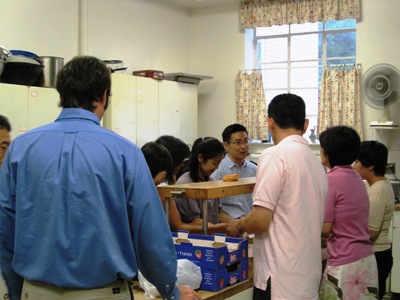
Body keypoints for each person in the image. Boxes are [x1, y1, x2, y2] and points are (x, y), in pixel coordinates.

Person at [0, 56, 200, 300]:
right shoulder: (125, 153)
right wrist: (170, 289)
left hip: (36, 290)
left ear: (60, 96)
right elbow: (151, 236)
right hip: (104, 293)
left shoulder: (20, 149)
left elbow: (5, 229)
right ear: (104, 96)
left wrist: (17, 288)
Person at [227, 93, 328, 300]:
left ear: (270, 123)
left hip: (279, 279)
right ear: (306, 124)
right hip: (307, 276)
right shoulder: (316, 163)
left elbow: (260, 220)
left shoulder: (275, 155)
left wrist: (239, 225)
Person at [319, 126, 378, 299]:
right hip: (366, 259)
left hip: (345, 263)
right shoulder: (356, 177)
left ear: (328, 153)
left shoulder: (331, 180)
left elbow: (325, 227)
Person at [141, 141, 227, 235]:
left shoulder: (161, 192)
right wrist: (215, 228)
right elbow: (179, 227)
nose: (163, 180)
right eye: (164, 175)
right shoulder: (165, 192)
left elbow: (180, 226)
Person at [354, 140, 394, 299]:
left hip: (377, 255)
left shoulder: (378, 191)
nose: (355, 165)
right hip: (377, 254)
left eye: (357, 161)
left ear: (370, 166)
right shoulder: (374, 185)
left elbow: (371, 232)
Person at [211, 123, 257, 222]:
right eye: (238, 142)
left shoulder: (254, 169)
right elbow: (215, 211)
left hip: (252, 222)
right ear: (226, 145)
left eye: (246, 141)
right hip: (231, 224)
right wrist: (237, 225)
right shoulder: (218, 171)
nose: (244, 146)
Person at [175, 137, 225, 225]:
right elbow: (196, 222)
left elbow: (218, 213)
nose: (216, 168)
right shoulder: (185, 184)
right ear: (200, 158)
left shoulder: (211, 181)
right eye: (215, 163)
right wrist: (222, 228)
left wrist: (235, 223)